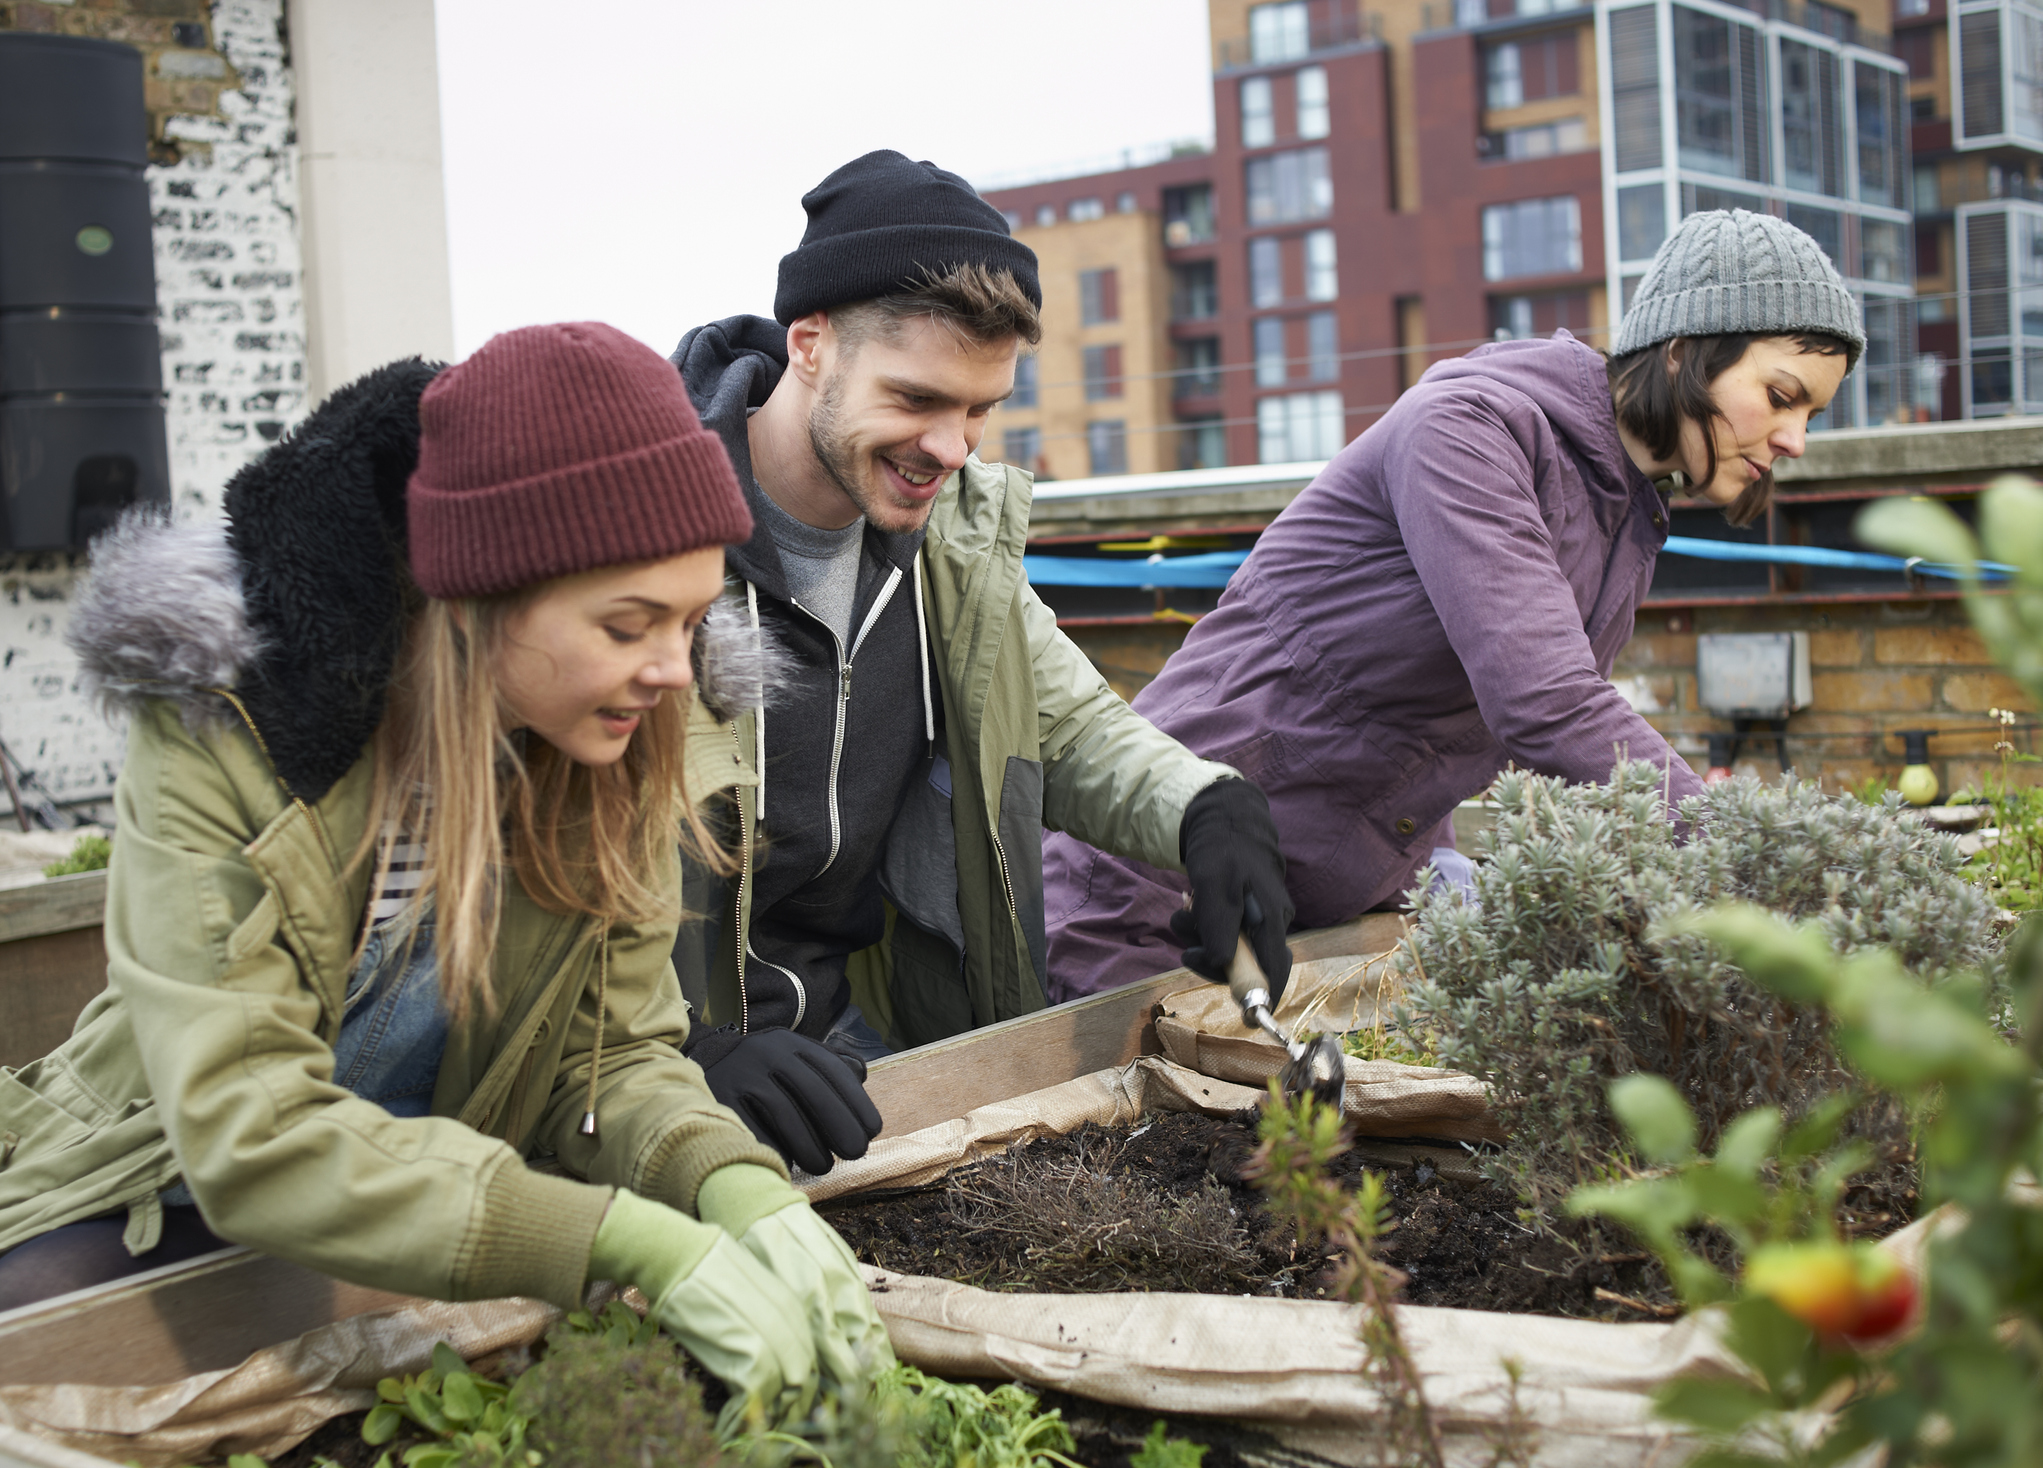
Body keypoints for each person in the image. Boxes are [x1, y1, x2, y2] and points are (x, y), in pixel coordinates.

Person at [0, 323, 889, 1426]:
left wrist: (731, 1182)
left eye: (694, 618)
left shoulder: (620, 735)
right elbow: (252, 1129)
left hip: (461, 1194)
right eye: (628, 623)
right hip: (163, 1188)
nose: (674, 668)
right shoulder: (226, 731)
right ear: (482, 603)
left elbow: (608, 1058)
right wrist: (619, 1236)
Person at [1043, 208, 1862, 999]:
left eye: (1811, 415)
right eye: (1781, 395)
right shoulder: (1473, 428)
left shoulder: (1626, 507)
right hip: (1152, 891)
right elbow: (1543, 702)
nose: (1794, 440)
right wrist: (1756, 859)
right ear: (1684, 350)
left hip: (1311, 915)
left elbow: (1429, 725)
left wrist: (1442, 875)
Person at [669, 150, 1291, 1176]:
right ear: (811, 345)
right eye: (917, 398)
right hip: (658, 1074)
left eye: (982, 409)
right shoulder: (649, 540)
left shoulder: (951, 542)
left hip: (851, 1048)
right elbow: (544, 862)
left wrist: (1209, 812)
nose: (952, 446)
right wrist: (684, 1050)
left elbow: (1075, 725)